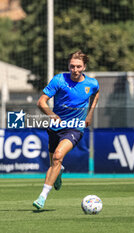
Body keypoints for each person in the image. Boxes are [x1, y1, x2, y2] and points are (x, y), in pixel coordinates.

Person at [33, 50, 100, 210]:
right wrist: (51, 114)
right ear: (68, 66)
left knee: (57, 157)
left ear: (84, 66)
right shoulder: (59, 80)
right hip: (55, 127)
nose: (75, 70)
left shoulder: (92, 83)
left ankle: (42, 197)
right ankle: (58, 173)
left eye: (78, 66)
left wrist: (89, 114)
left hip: (75, 127)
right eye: (72, 66)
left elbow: (96, 94)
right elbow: (41, 102)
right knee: (54, 162)